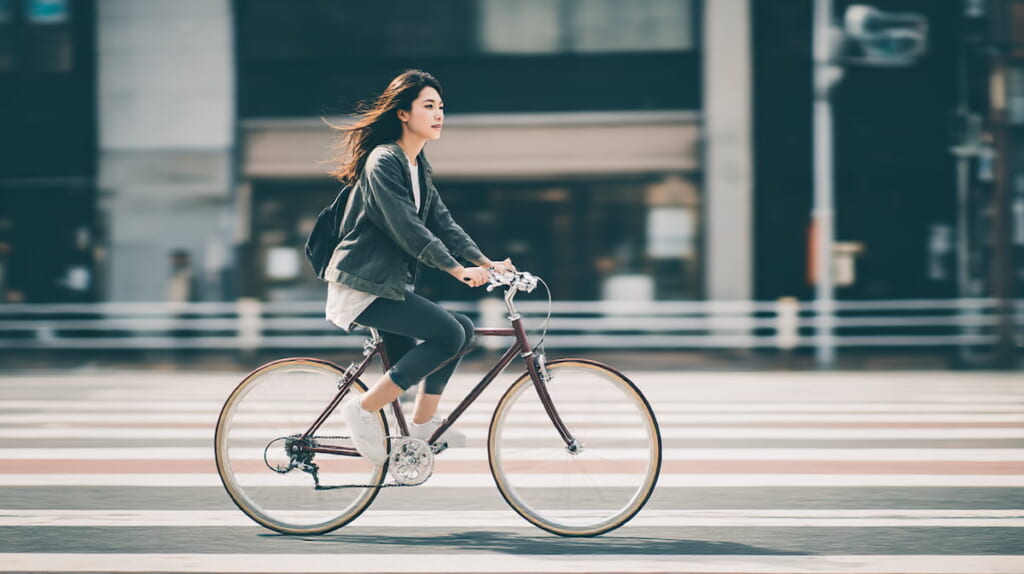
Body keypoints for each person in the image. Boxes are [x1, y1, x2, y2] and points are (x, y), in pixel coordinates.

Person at [324, 70, 514, 465]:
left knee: (461, 329)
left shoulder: (416, 164)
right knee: (447, 333)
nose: (438, 113)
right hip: (363, 284)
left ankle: (422, 425)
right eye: (428, 106)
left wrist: (484, 262)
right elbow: (407, 227)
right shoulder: (384, 161)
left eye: (441, 107)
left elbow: (442, 222)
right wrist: (454, 269)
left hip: (387, 286)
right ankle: (362, 408)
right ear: (403, 113)